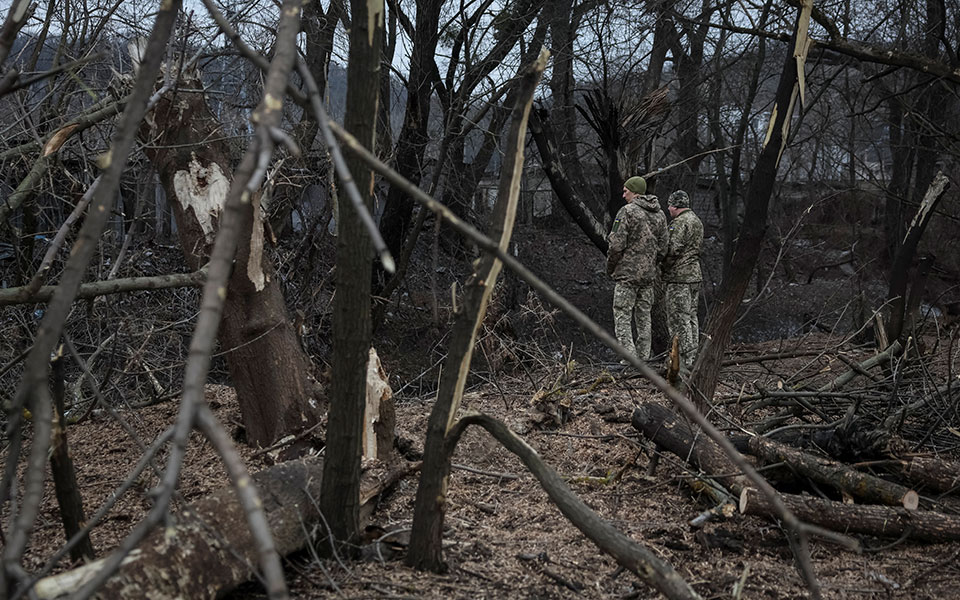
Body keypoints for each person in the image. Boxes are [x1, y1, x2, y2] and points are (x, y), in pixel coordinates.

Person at [607, 176, 668, 364]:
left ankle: (630, 359)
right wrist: (651, 264)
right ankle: (643, 358)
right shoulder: (659, 214)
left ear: (634, 191)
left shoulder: (627, 212)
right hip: (648, 276)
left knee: (622, 315)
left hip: (627, 275)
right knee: (644, 317)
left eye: (626, 191)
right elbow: (663, 247)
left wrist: (611, 266)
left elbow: (616, 245)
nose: (623, 195)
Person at [662, 190, 703, 369]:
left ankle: (684, 359)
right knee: (692, 317)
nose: (668, 209)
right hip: (694, 276)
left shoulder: (679, 223)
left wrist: (663, 267)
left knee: (679, 319)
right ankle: (693, 355)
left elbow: (673, 249)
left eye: (670, 205)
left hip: (679, 278)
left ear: (676, 205)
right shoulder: (696, 220)